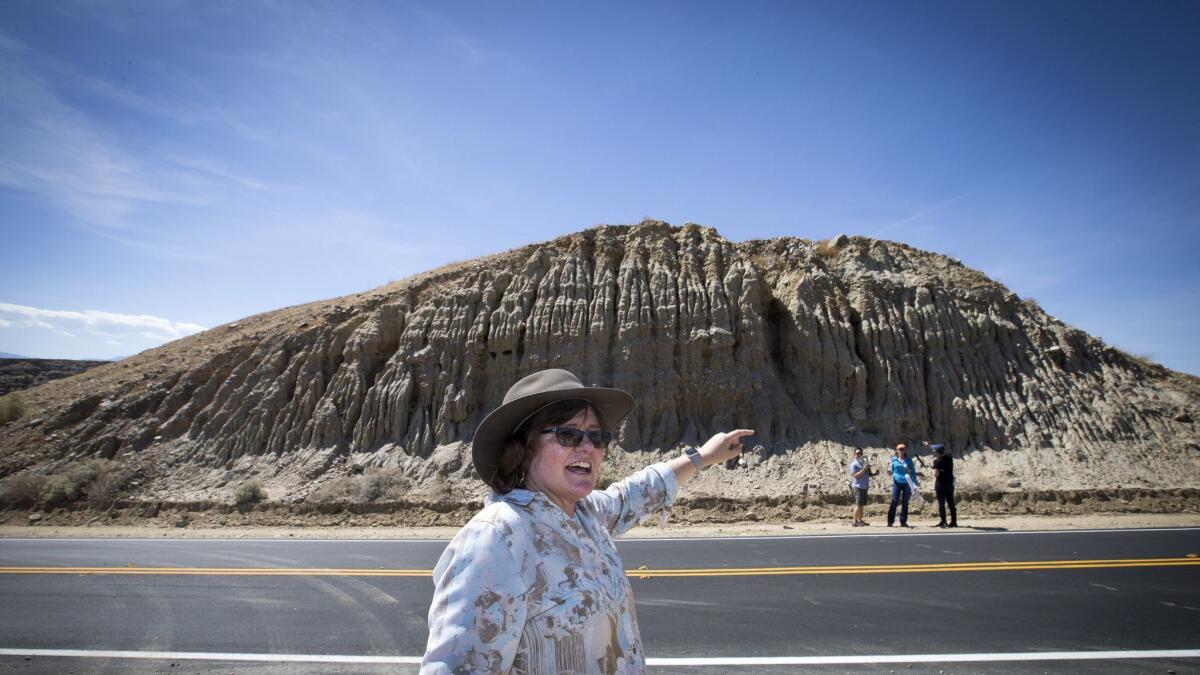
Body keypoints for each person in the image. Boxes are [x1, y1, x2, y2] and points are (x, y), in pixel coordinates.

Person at [421, 369, 753, 674]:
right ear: (524, 446)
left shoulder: (584, 514)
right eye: (567, 435)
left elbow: (632, 494)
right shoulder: (497, 538)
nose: (587, 447)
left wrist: (703, 457)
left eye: (596, 438)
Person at [925, 441, 958, 527]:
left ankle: (944, 522)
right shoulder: (949, 456)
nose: (933, 451)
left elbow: (936, 475)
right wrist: (928, 445)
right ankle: (954, 522)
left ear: (937, 452)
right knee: (951, 503)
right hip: (950, 483)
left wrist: (932, 470)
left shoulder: (937, 461)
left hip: (941, 484)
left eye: (934, 450)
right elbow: (939, 449)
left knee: (941, 504)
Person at [886, 444, 916, 528]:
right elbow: (891, 470)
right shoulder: (894, 460)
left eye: (903, 449)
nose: (901, 450)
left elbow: (913, 472)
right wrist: (888, 471)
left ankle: (903, 522)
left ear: (905, 450)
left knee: (905, 502)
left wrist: (913, 483)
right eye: (899, 449)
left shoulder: (909, 460)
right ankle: (890, 521)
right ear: (897, 450)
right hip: (897, 482)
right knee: (894, 501)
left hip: (907, 483)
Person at [848, 448, 871, 526]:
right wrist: (864, 469)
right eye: (857, 453)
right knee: (858, 505)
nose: (859, 455)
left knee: (861, 505)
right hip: (858, 486)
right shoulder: (853, 464)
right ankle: (854, 522)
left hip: (864, 486)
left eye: (860, 453)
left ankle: (859, 520)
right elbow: (855, 476)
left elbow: (868, 473)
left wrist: (874, 473)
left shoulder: (864, 463)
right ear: (854, 455)